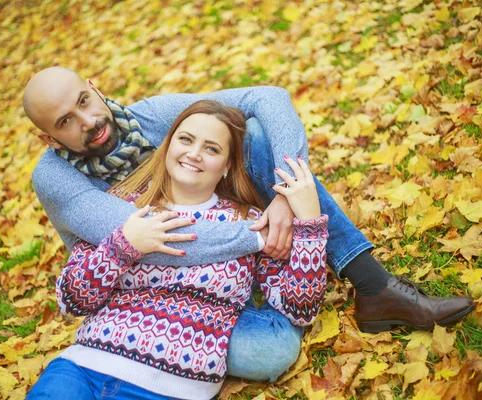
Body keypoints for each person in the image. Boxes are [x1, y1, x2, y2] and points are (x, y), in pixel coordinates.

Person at [23, 67, 474, 380]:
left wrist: (284, 194)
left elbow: (267, 97)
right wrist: (262, 231)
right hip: (143, 298)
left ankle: (374, 287)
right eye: (66, 121)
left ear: (94, 87)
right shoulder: (54, 178)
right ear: (48, 137)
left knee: (253, 138)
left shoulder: (147, 115)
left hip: (223, 266)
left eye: (85, 101)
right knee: (269, 352)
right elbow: (161, 239)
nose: (90, 121)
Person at [28, 100, 328, 399]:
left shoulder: (249, 221)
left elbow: (299, 309)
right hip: (80, 369)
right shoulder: (120, 206)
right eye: (185, 140)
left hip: (171, 389)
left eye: (212, 148)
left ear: (226, 165)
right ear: (167, 146)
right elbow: (71, 300)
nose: (194, 153)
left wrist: (310, 228)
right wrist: (121, 248)